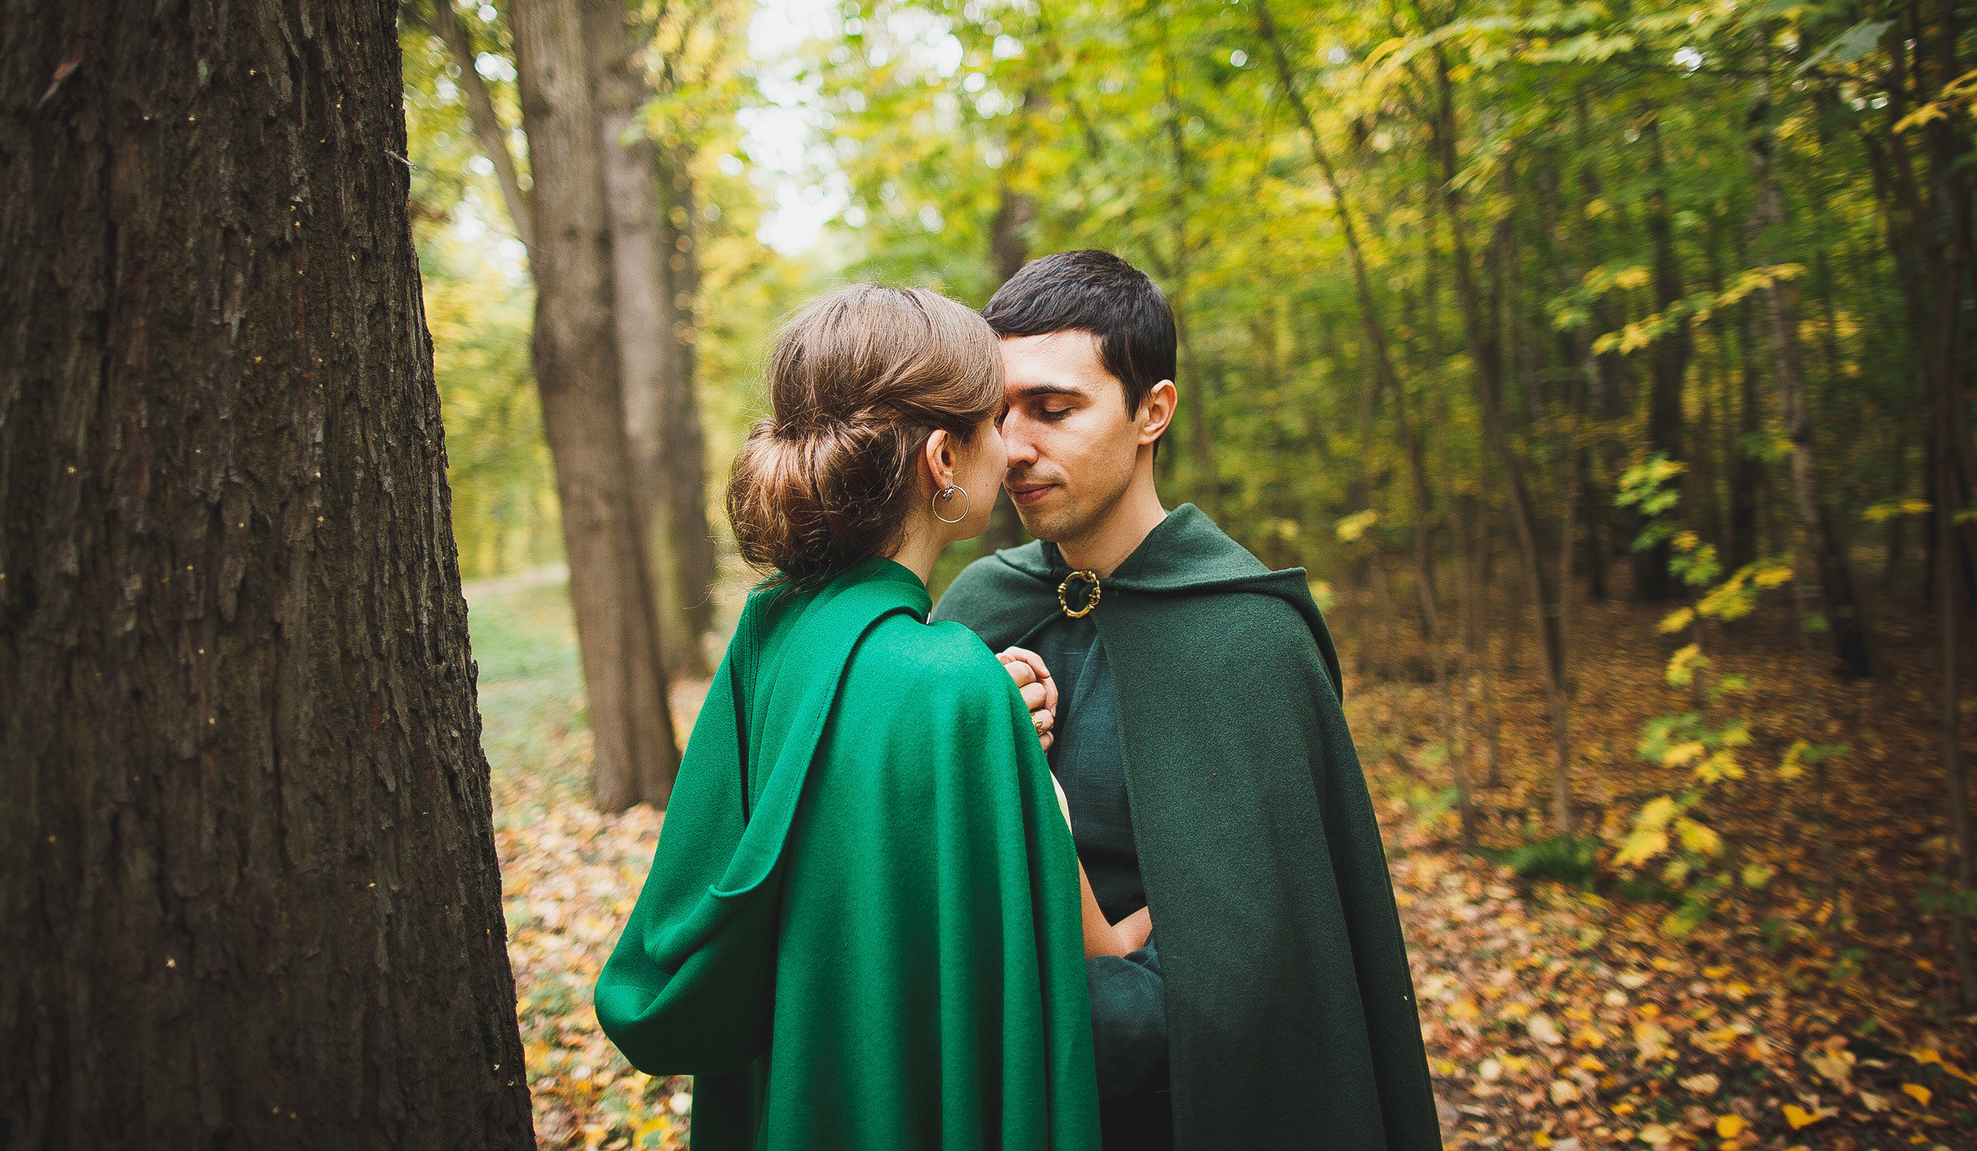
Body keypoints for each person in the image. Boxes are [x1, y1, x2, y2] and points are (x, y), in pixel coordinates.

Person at [594, 284, 1149, 1150]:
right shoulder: (954, 687)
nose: (1012, 448)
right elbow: (1065, 979)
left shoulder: (771, 630)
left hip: (793, 1102)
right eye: (993, 421)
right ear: (942, 460)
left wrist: (974, 715)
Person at [934, 250, 1443, 1151]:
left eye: (1054, 409)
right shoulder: (976, 607)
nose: (1015, 447)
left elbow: (1239, 992)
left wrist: (1008, 1003)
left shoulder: (1246, 638)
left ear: (1152, 411)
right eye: (999, 413)